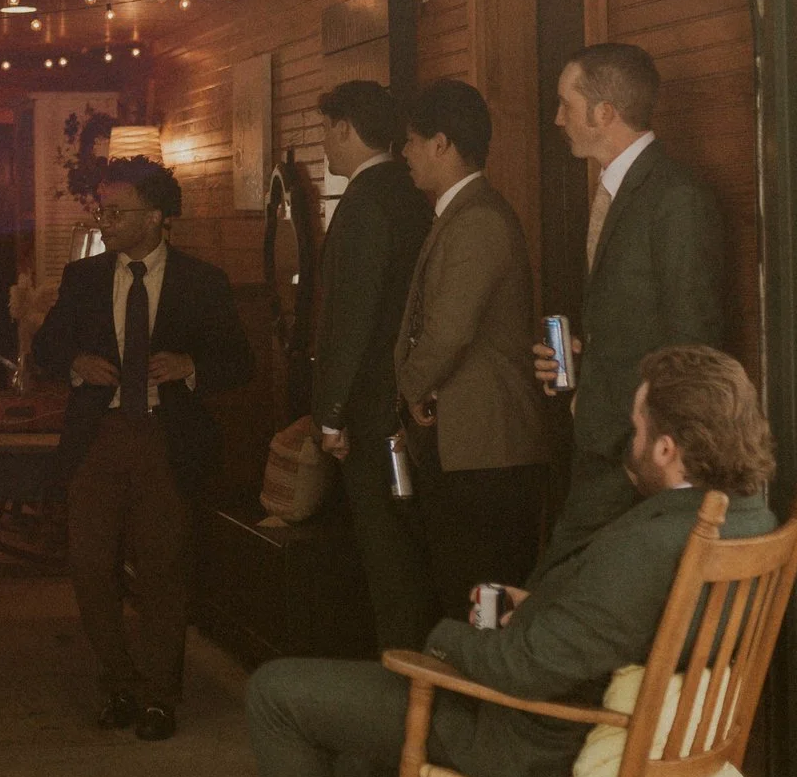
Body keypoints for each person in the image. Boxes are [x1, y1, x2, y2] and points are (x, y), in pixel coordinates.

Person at [221, 343, 779, 777]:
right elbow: (615, 627)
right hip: (604, 721)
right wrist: (539, 606)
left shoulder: (648, 547)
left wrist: (444, 637)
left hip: (530, 738)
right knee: (371, 712)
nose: (630, 439)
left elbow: (522, 669)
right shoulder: (748, 518)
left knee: (279, 692)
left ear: (668, 449)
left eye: (638, 426)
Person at [34, 156, 255, 741]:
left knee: (162, 570)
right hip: (97, 440)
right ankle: (118, 683)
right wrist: (77, 364)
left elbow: (241, 363)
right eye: (102, 210)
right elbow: (45, 351)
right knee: (89, 567)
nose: (105, 221)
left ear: (156, 217)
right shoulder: (84, 279)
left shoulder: (201, 282)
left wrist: (190, 366)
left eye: (117, 211)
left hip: (165, 440)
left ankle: (160, 696)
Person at [535, 42, 726, 571]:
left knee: (556, 590)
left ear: (603, 113)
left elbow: (694, 344)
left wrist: (658, 457)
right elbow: (631, 320)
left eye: (564, 105)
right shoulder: (621, 193)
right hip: (605, 443)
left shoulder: (676, 198)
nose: (557, 119)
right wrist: (580, 356)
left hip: (637, 459)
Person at [392, 79, 545, 622]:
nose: (404, 153)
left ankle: (485, 706)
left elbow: (450, 331)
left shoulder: (477, 218)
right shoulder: (460, 213)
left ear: (441, 144)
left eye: (411, 141)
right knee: (464, 587)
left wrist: (407, 387)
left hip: (487, 447)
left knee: (483, 597)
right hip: (469, 445)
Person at [304, 82, 436, 650]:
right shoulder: (411, 193)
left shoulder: (363, 202)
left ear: (345, 129)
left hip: (369, 409)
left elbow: (352, 318)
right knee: (406, 544)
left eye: (326, 132)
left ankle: (399, 680)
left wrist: (330, 411)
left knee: (384, 553)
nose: (324, 146)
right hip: (407, 403)